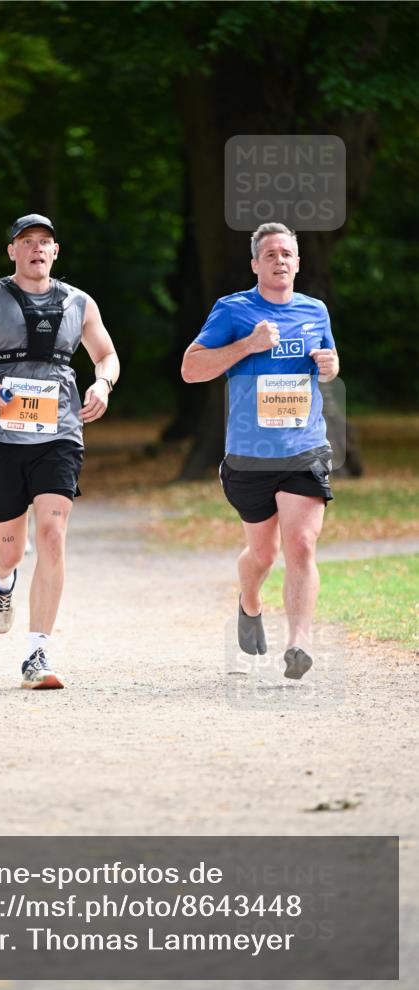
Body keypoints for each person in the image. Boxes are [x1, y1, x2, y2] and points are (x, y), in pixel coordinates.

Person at [0, 213, 120, 689]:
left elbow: (106, 354)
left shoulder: (79, 302)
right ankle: (1, 580)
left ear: (56, 252)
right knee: (10, 550)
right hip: (0, 434)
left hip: (59, 431)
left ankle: (38, 653)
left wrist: (103, 382)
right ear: (12, 251)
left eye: (46, 242)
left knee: (53, 535)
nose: (37, 249)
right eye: (27, 242)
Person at [181, 223, 339, 680]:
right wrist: (248, 345)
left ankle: (299, 643)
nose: (280, 260)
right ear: (255, 264)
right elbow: (191, 369)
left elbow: (328, 364)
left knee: (302, 545)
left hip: (304, 448)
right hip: (249, 455)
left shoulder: (315, 310)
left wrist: (330, 366)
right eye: (270, 254)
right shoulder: (233, 310)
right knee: (263, 555)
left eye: (287, 253)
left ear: (298, 262)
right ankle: (249, 602)